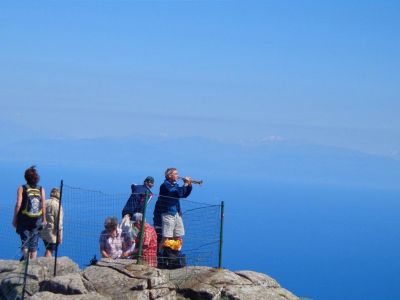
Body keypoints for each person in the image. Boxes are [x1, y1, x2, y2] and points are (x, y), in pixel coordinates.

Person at [153, 168, 192, 252]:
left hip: (177, 213)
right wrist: (185, 184)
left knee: (178, 235)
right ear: (169, 175)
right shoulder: (165, 185)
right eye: (176, 174)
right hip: (168, 213)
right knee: (166, 236)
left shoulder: (175, 185)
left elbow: (184, 195)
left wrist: (189, 186)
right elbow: (177, 193)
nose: (178, 175)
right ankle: (159, 254)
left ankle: (175, 254)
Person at [12, 166, 47, 260]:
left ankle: (26, 262)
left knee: (25, 241)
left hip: (24, 218)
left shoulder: (22, 188)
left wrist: (15, 218)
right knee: (34, 243)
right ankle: (32, 265)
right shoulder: (41, 189)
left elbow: (18, 204)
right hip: (37, 219)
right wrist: (44, 219)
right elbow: (43, 204)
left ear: (26, 177)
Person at [41, 187, 63, 257]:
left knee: (47, 248)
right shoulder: (57, 205)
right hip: (52, 232)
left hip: (42, 229)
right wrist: (59, 236)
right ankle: (47, 265)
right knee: (50, 250)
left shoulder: (45, 202)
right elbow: (59, 222)